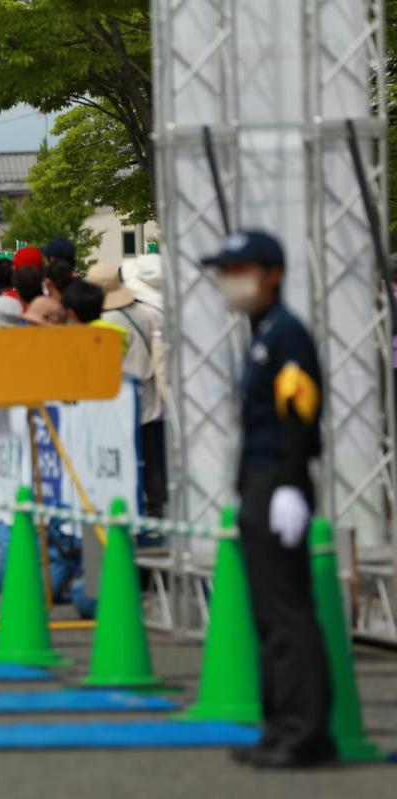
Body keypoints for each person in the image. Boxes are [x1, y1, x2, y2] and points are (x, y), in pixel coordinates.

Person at [201, 230, 335, 769]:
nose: (229, 282)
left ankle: (304, 732)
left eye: (240, 270)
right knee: (269, 618)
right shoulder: (262, 331)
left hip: (279, 480)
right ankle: (282, 725)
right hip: (258, 482)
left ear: (271, 274)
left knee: (287, 617)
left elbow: (300, 414)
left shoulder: (286, 335)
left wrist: (287, 483)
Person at [87, 262, 167, 519]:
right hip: (150, 394)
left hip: (121, 396)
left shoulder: (106, 321)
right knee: (153, 457)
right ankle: (157, 509)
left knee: (128, 458)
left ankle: (133, 510)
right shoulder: (145, 313)